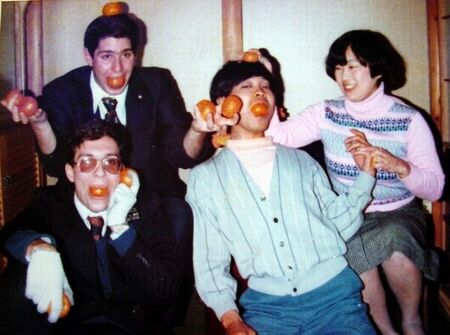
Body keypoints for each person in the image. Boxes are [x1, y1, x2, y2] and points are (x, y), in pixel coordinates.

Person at [0, 5, 222, 327]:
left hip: (149, 198)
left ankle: (163, 319)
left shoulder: (157, 83)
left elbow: (181, 155)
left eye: (127, 55)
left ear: (137, 55)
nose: (118, 67)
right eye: (106, 56)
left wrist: (198, 130)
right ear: (88, 56)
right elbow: (53, 162)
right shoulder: (63, 91)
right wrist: (40, 121)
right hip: (86, 196)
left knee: (176, 216)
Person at [264, 30, 445, 335]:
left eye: (353, 66)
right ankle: (384, 331)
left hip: (399, 211)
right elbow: (277, 136)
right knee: (345, 254)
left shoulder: (409, 119)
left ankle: (413, 323)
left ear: (377, 69)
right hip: (346, 214)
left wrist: (398, 165)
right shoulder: (327, 112)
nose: (343, 76)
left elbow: (436, 188)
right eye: (338, 67)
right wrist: (266, 80)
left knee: (396, 241)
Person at [186, 60, 377, 335]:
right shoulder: (206, 178)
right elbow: (209, 260)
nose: (260, 93)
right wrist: (231, 320)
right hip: (268, 311)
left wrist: (366, 176)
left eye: (266, 87)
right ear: (222, 102)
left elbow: (337, 223)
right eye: (247, 86)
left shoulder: (302, 160)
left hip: (335, 301)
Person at [0, 120, 181, 334]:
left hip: (133, 325)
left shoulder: (147, 205)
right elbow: (10, 234)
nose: (100, 173)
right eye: (87, 162)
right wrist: (39, 248)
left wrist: (121, 228)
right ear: (70, 172)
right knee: (19, 277)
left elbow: (167, 290)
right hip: (73, 324)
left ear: (121, 171)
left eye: (110, 162)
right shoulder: (51, 203)